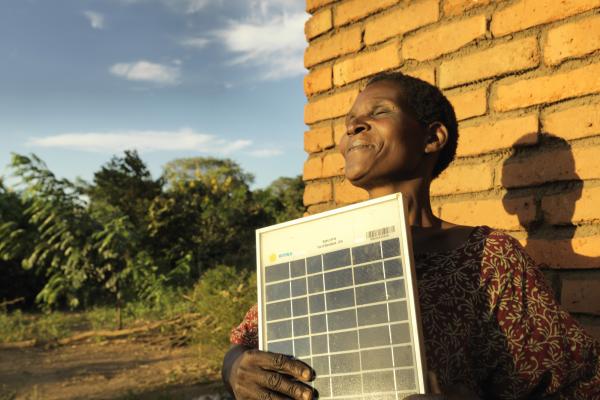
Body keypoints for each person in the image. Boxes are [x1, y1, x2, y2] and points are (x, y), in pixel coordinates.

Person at [221, 72, 600, 399]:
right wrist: (236, 368)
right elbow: (246, 342)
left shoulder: (488, 257)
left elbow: (576, 385)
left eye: (379, 112)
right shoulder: (315, 246)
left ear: (432, 138)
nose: (353, 126)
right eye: (350, 120)